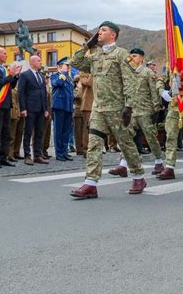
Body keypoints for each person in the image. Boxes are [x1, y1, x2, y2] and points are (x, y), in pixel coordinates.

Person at [69, 21, 147, 198]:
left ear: (113, 35)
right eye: (99, 30)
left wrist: (129, 107)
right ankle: (90, 183)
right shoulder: (95, 55)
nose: (99, 33)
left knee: (125, 144)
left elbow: (131, 81)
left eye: (103, 30)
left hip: (117, 109)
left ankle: (138, 176)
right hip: (98, 108)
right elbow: (76, 62)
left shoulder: (122, 55)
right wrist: (87, 46)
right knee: (94, 144)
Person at [109, 48, 164, 176]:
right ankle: (123, 165)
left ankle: (159, 161)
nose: (132, 58)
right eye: (131, 56)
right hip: (131, 111)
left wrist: (156, 110)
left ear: (141, 58)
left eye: (135, 56)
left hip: (145, 111)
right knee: (126, 137)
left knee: (151, 138)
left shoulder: (148, 73)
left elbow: (154, 93)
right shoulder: (127, 73)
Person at [0, 47, 21, 168]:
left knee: (7, 133)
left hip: (7, 104)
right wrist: (10, 75)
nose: (6, 55)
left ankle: (3, 157)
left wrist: (15, 77)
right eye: (4, 53)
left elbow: (11, 86)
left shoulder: (5, 70)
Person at [18, 55, 49, 165]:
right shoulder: (24, 75)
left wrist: (45, 108)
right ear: (32, 62)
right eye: (39, 60)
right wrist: (23, 108)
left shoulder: (41, 75)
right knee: (28, 131)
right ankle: (27, 155)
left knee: (39, 132)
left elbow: (44, 93)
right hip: (30, 108)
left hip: (40, 108)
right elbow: (21, 93)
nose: (41, 62)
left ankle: (37, 155)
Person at [51, 58, 74, 161]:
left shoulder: (69, 78)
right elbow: (58, 84)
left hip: (68, 107)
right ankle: (59, 153)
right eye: (66, 66)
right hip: (59, 106)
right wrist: (63, 73)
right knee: (58, 131)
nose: (68, 68)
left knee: (66, 131)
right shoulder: (54, 76)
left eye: (68, 67)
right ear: (59, 67)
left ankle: (64, 152)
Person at [79, 72, 94, 155]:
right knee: (87, 128)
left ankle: (93, 148)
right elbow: (89, 83)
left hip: (96, 104)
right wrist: (92, 73)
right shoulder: (83, 74)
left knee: (95, 128)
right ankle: (85, 149)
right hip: (87, 105)